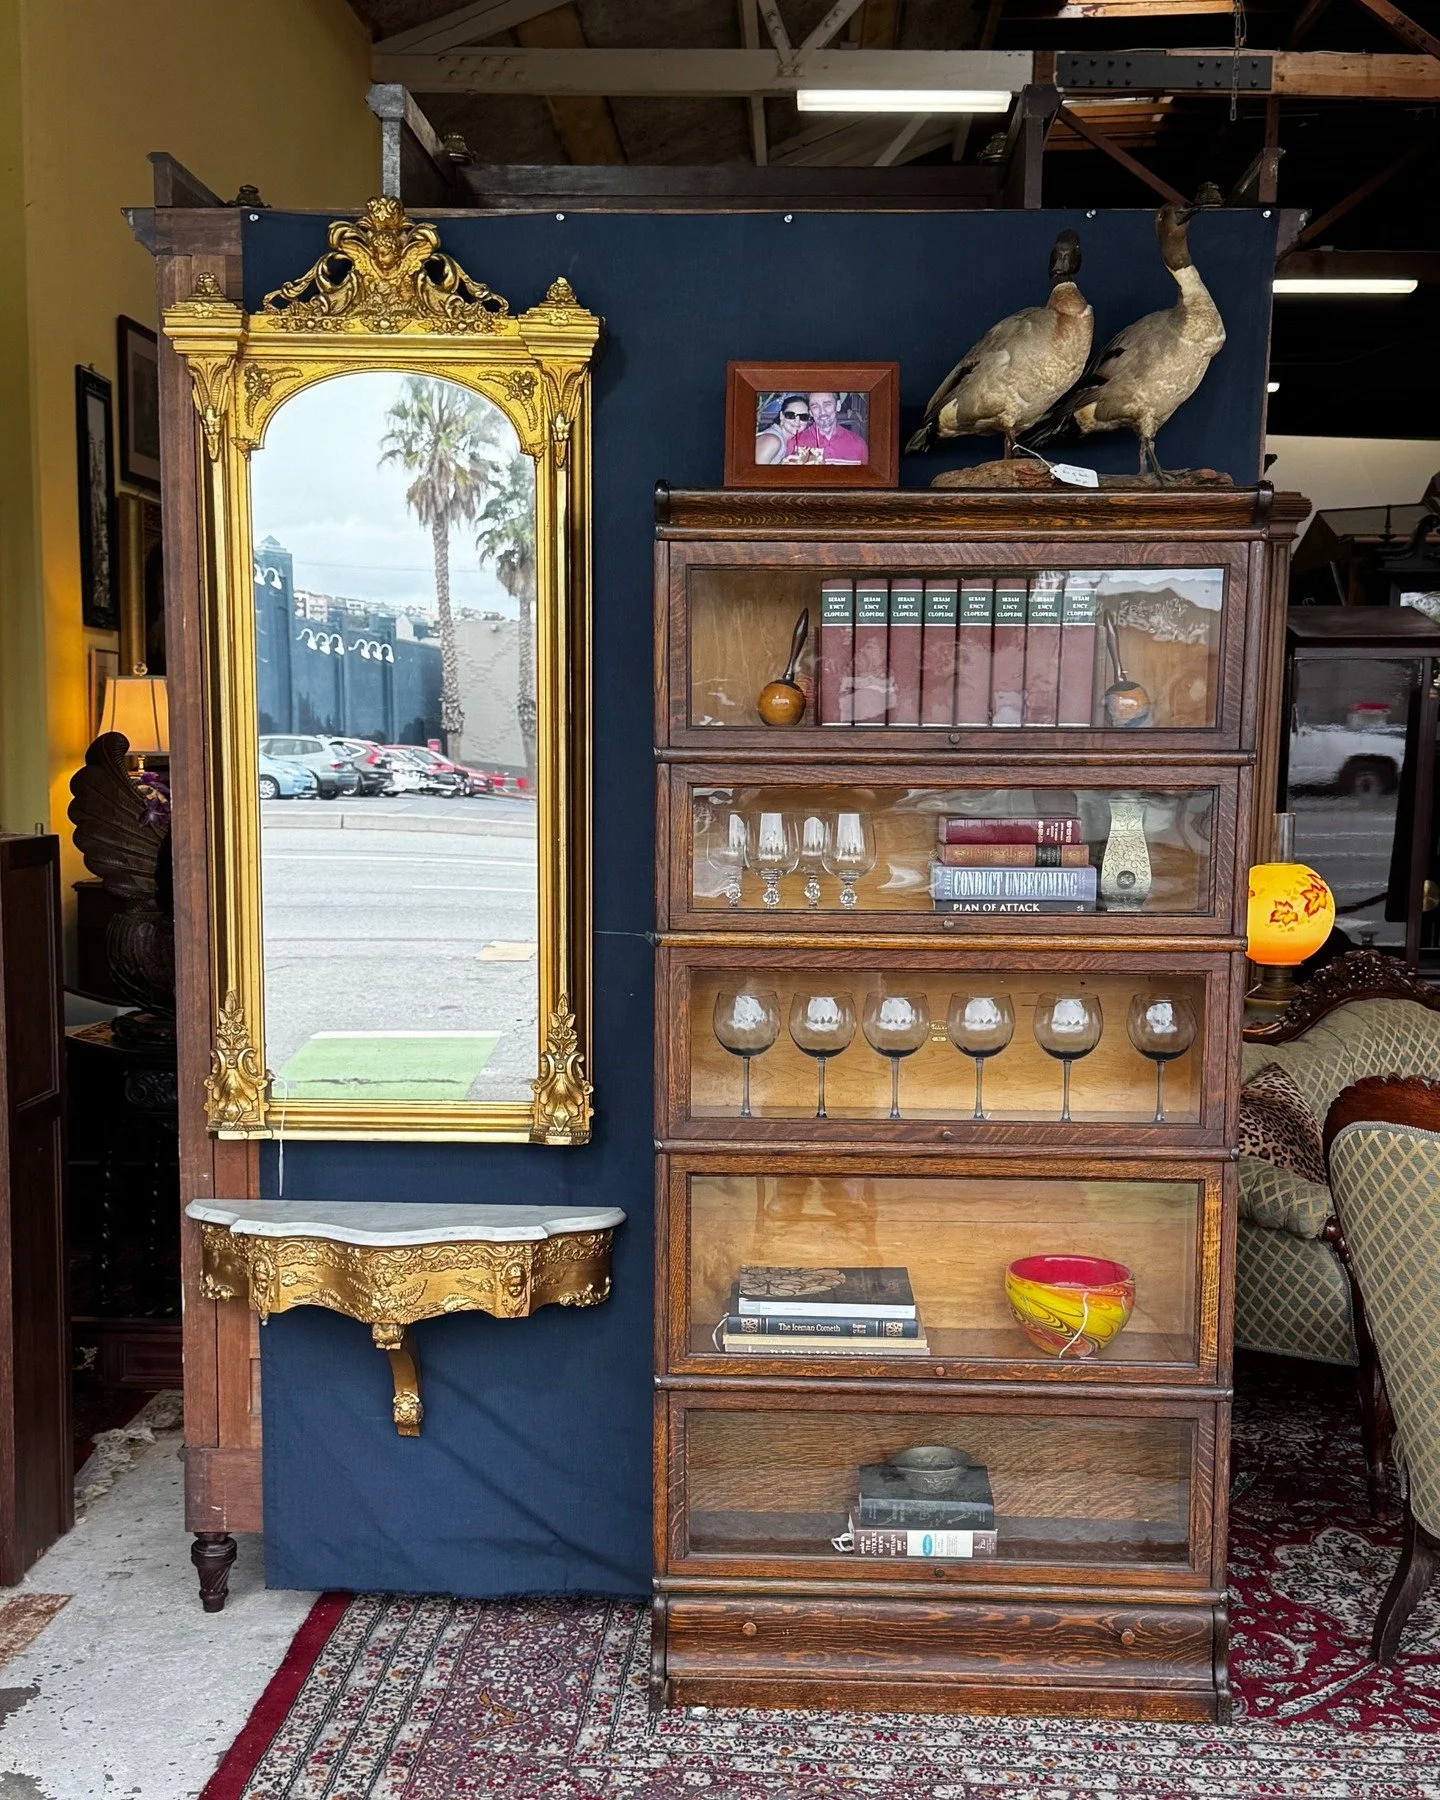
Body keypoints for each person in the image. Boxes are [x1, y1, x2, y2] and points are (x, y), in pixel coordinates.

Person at [784, 391, 868, 465]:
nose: (822, 412)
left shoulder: (858, 444)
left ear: (838, 406)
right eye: (815, 406)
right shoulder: (795, 443)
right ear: (810, 412)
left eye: (827, 405)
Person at [755, 394, 810, 465]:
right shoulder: (772, 440)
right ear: (781, 416)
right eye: (791, 415)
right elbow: (753, 474)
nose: (797, 421)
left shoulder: (784, 440)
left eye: (803, 417)